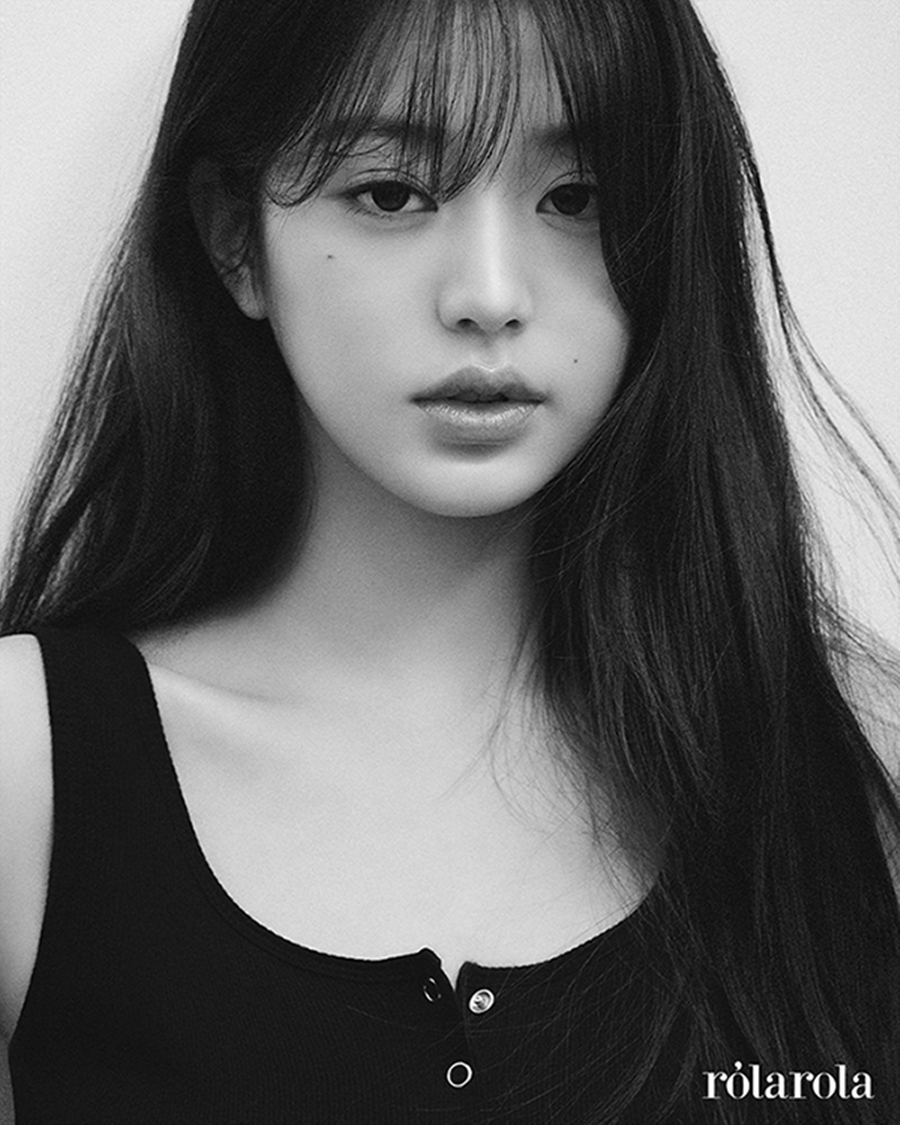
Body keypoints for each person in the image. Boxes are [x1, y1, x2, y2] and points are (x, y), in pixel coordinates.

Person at [0, 0, 898, 1121]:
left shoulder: (861, 756)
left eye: (577, 198)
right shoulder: (26, 772)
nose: (489, 296)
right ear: (235, 238)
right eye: (391, 193)